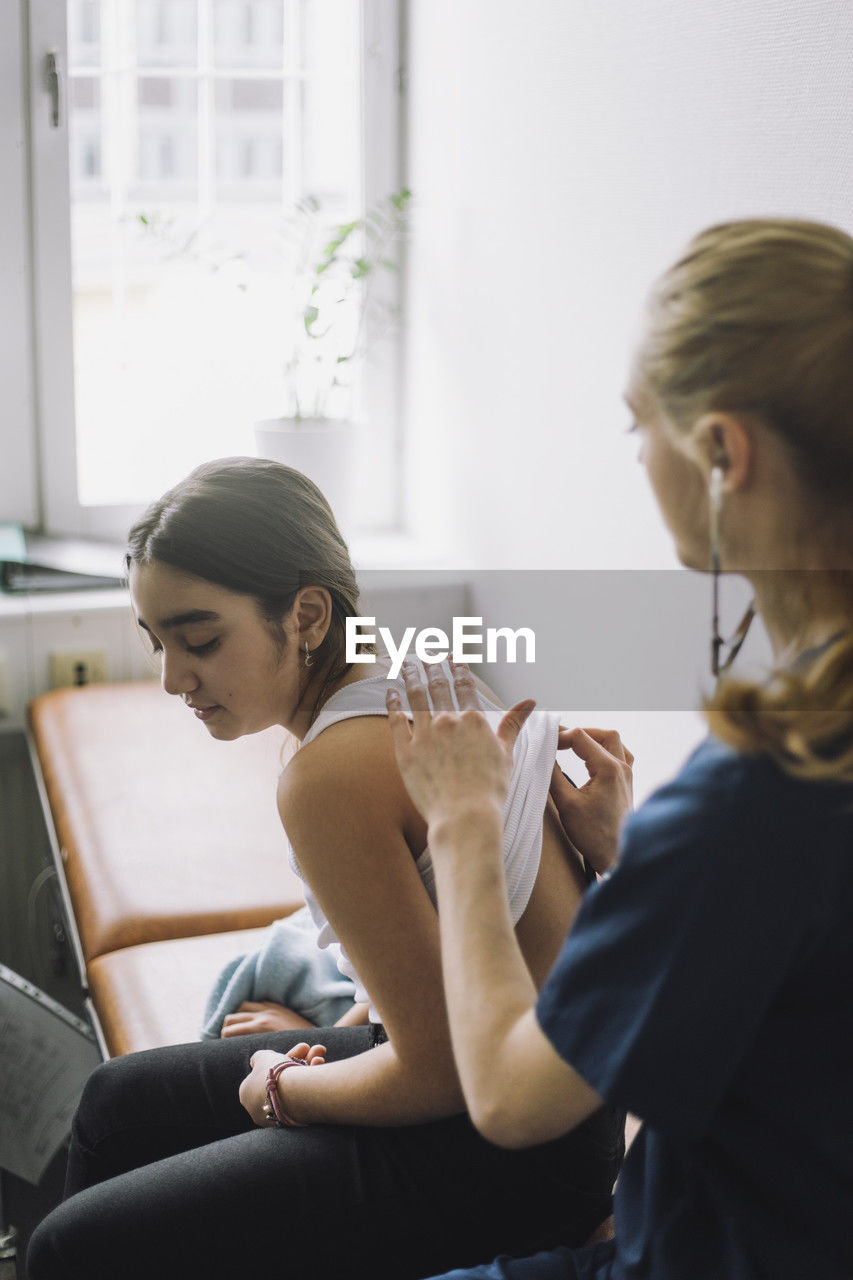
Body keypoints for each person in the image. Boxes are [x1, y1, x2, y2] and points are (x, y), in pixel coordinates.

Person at [385, 218, 853, 1279]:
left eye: (636, 425)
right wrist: (639, 853)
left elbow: (511, 1093)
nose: (639, 456)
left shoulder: (758, 791)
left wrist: (462, 820)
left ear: (723, 452)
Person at [27, 458, 624, 1280]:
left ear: (306, 614)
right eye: (155, 641)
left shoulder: (329, 776)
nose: (171, 678)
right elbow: (444, 950)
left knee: (71, 1247)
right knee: (115, 1103)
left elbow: (440, 1067)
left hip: (510, 1151)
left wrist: (280, 1088)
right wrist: (338, 1047)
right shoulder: (425, 684)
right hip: (543, 1096)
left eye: (199, 640)